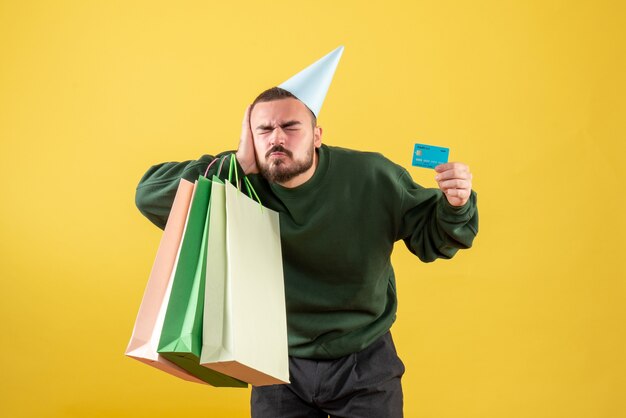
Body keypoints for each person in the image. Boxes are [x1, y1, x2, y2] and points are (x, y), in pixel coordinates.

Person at [135, 87, 478, 418]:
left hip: (364, 358)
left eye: (290, 127)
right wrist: (238, 162)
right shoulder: (237, 179)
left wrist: (456, 204)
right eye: (264, 129)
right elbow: (149, 196)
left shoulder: (373, 176)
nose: (276, 138)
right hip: (274, 359)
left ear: (317, 136)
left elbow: (434, 239)